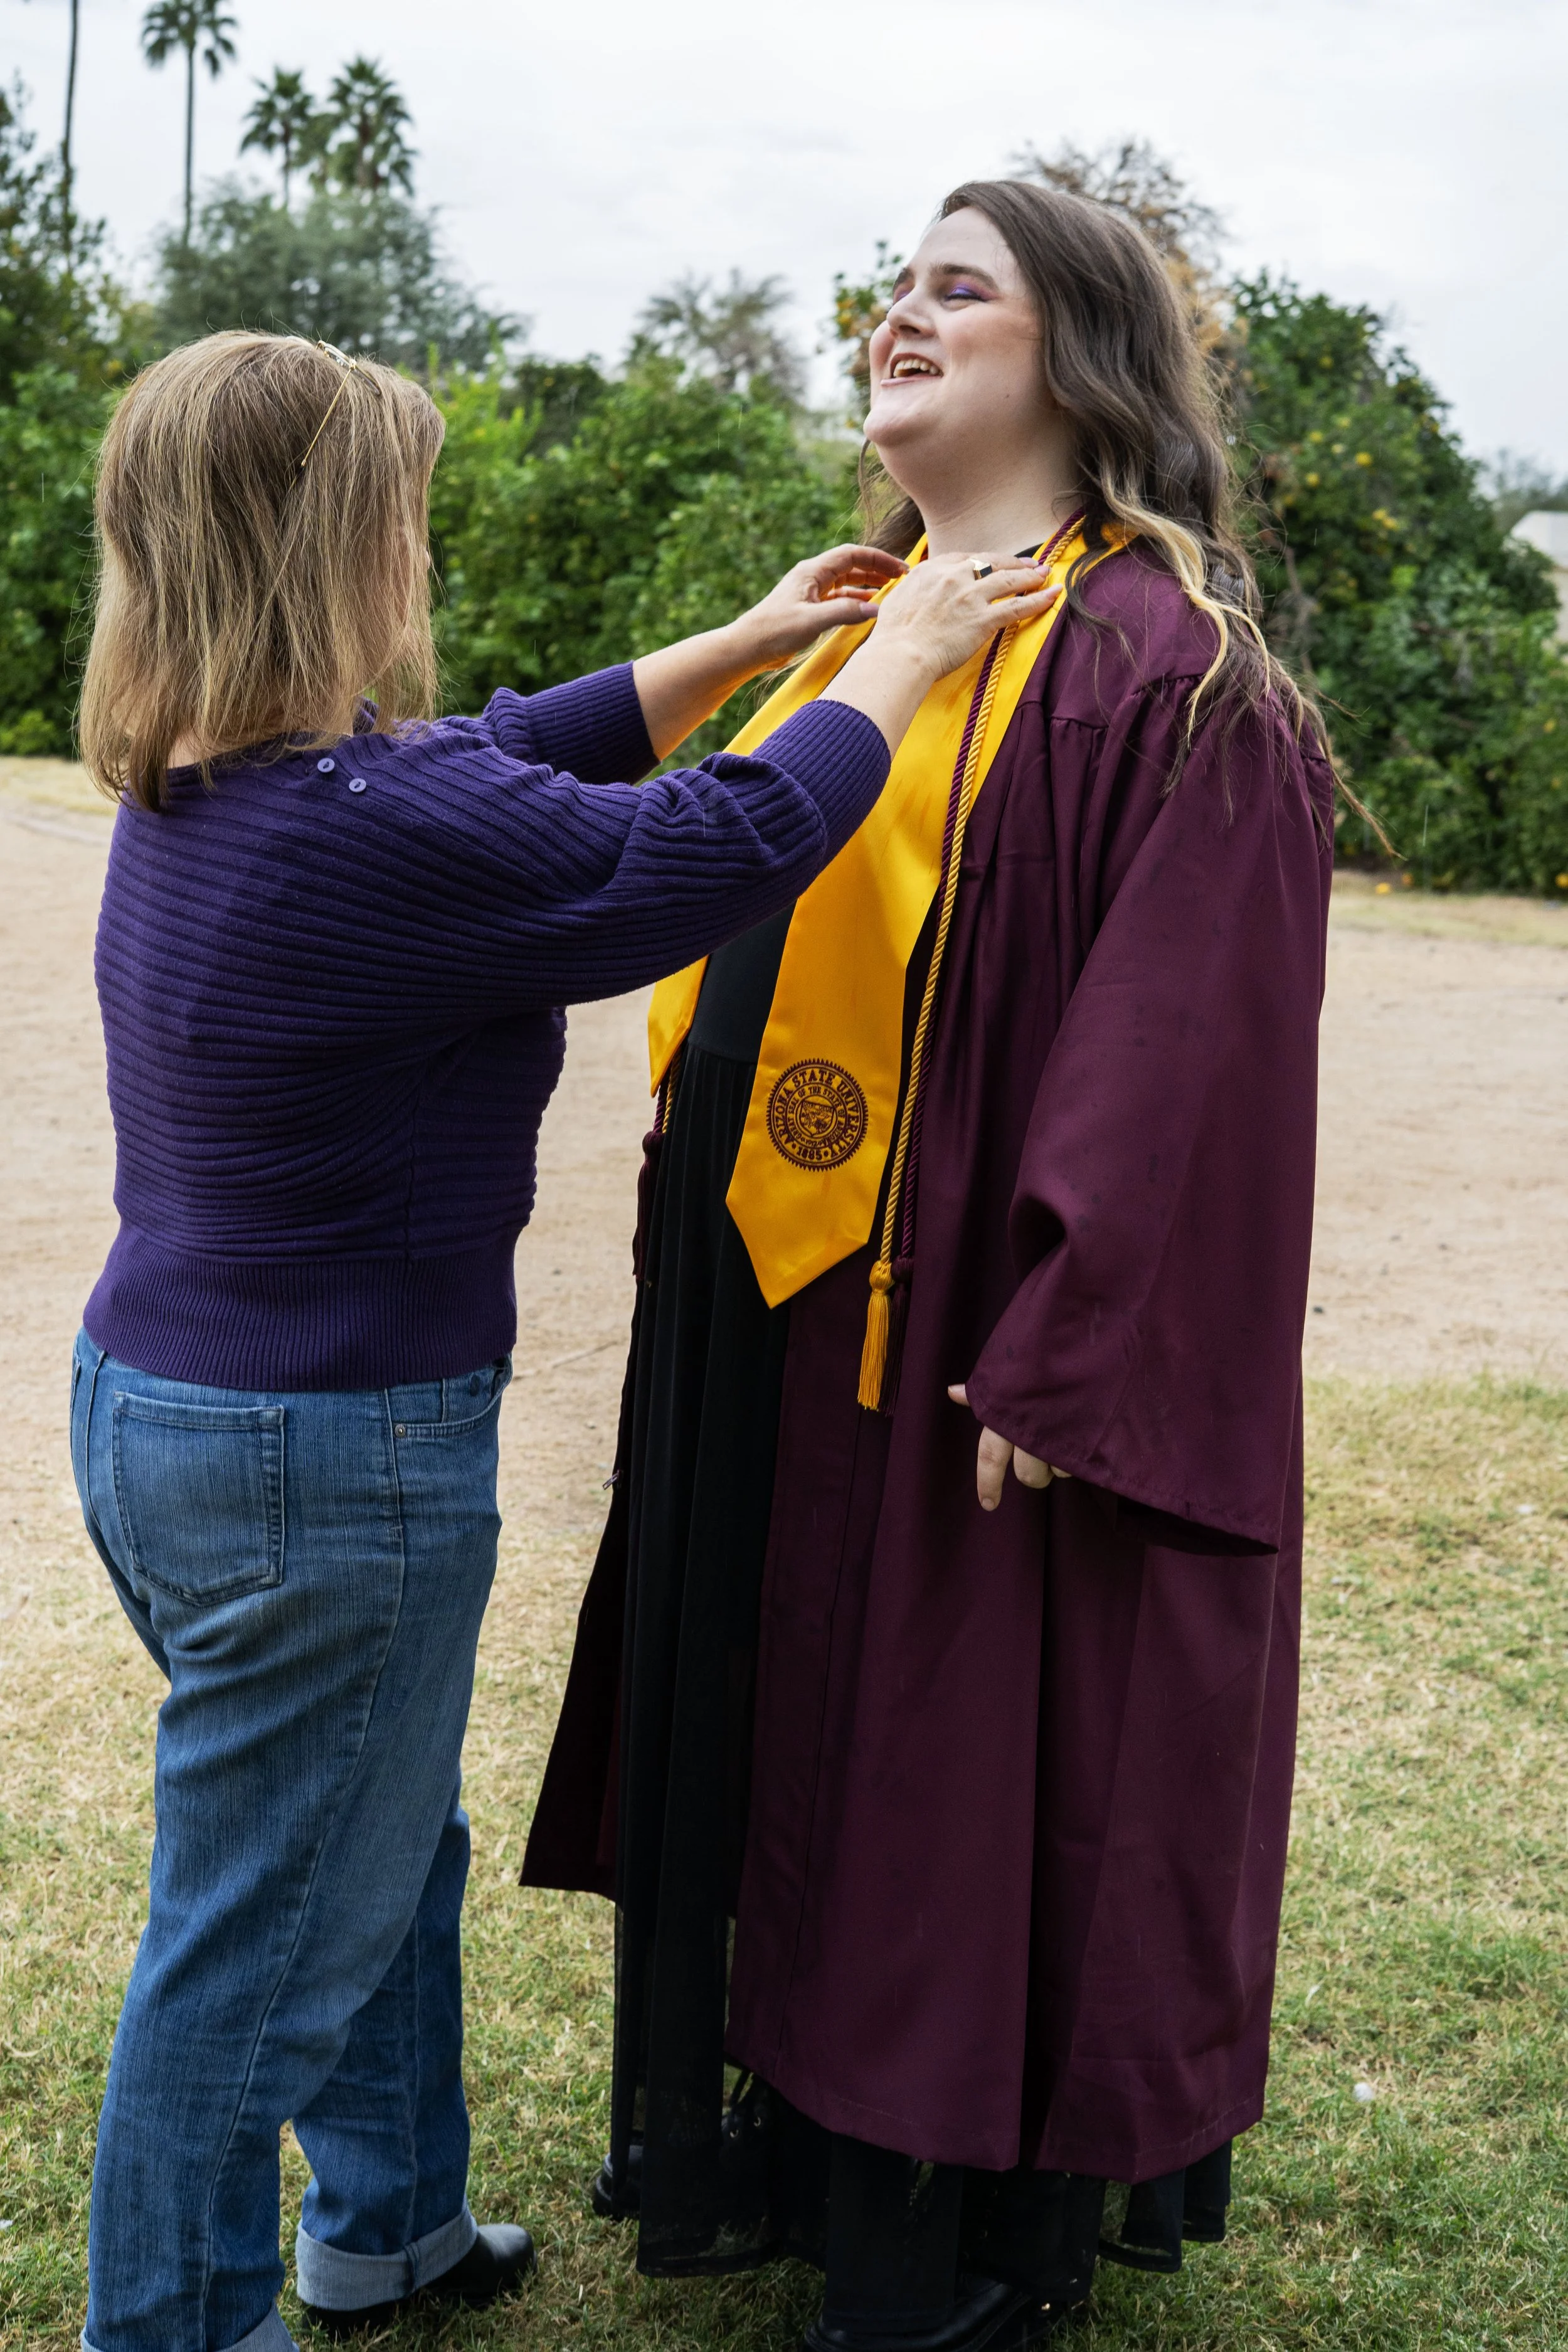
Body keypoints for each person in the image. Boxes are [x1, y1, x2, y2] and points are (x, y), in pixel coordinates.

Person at [66, 327, 1056, 2352]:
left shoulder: (224, 784)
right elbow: (714, 850)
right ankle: (166, 2325)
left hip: (174, 1412)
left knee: (367, 1838)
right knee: (260, 1935)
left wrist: (746, 638)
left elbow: (504, 753)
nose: (416, 548)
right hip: (321, 1458)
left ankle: (391, 2222)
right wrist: (906, 653)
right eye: (400, 513)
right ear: (333, 545)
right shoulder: (360, 832)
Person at [524, 179, 1338, 2350]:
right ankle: (794, 2138)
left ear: (1076, 358)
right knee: (808, 1737)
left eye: (951, 286)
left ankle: (950, 2236)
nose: (894, 312)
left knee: (947, 1765)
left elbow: (1194, 1057)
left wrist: (1077, 1342)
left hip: (964, 1329)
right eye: (890, 282)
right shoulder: (867, 623)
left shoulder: (1174, 672)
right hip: (787, 1301)